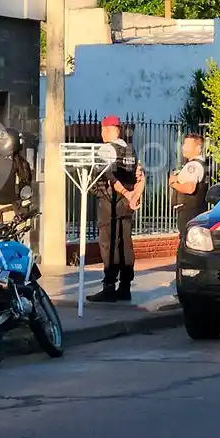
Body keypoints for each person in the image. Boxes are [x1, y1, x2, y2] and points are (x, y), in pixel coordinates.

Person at [88, 115, 144, 303]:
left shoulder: (106, 149)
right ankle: (125, 286)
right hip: (126, 202)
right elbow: (140, 176)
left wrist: (127, 194)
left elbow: (109, 177)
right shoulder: (130, 150)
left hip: (109, 201)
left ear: (110, 130)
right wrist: (135, 195)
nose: (101, 134)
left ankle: (109, 286)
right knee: (125, 243)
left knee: (108, 243)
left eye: (103, 130)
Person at [169, 133, 209, 237]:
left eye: (187, 145)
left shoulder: (193, 165)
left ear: (198, 148)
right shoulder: (199, 164)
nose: (183, 148)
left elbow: (190, 188)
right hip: (194, 211)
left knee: (186, 242)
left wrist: (173, 183)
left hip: (189, 212)